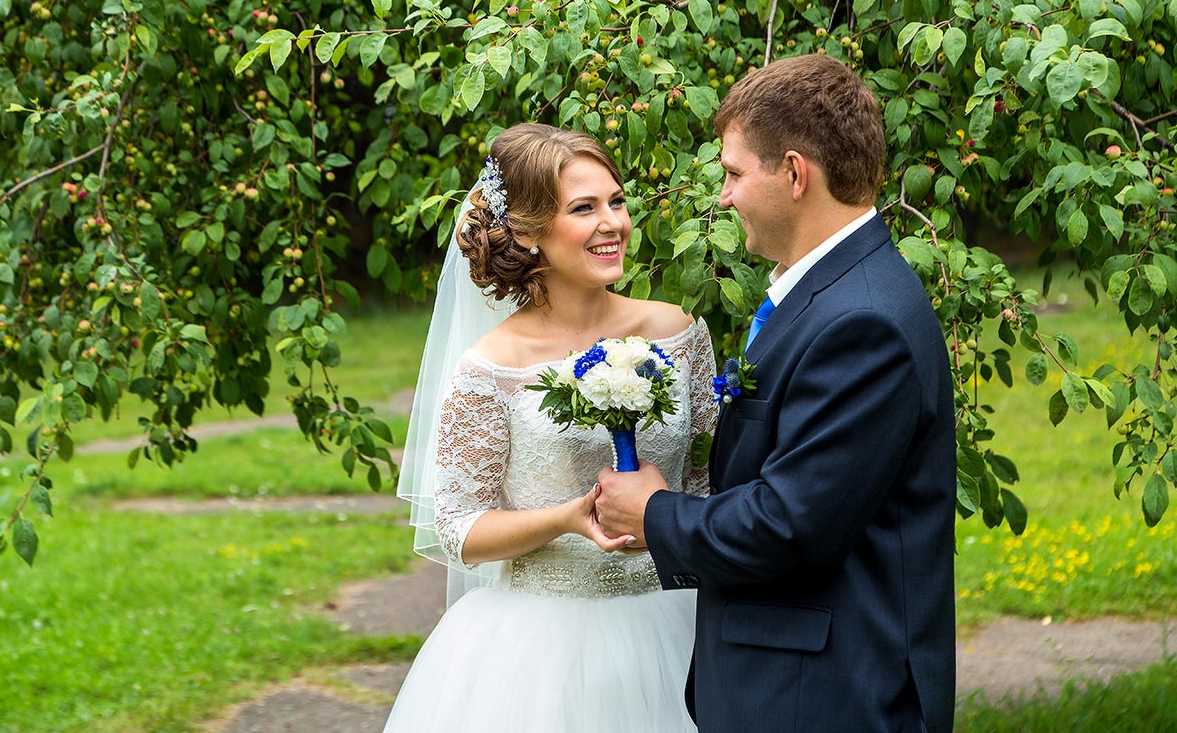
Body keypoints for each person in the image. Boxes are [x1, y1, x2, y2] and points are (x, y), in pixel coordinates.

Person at [595, 54, 957, 732]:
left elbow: (789, 525)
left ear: (794, 174)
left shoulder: (863, 322)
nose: (724, 196)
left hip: (821, 698)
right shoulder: (834, 292)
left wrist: (654, 514)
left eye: (734, 173)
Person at [386, 122, 717, 732]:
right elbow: (458, 528)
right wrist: (568, 518)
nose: (611, 223)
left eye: (616, 202)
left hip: (681, 624)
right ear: (529, 232)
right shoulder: (491, 366)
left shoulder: (678, 331)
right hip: (542, 648)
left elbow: (704, 485)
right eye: (584, 209)